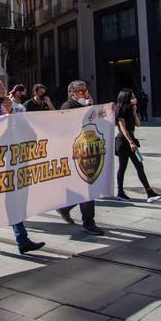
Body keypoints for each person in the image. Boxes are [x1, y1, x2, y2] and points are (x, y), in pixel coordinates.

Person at [0, 79, 45, 255]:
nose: (4, 92)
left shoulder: (6, 106)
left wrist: (10, 112)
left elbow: (20, 126)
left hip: (10, 159)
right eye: (0, 89)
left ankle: (22, 240)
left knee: (13, 200)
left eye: (5, 89)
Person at [56, 80, 105, 235]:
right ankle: (88, 222)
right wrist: (86, 108)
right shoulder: (68, 106)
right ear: (72, 94)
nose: (85, 93)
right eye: (81, 92)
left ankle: (64, 208)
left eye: (86, 91)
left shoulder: (84, 106)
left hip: (87, 150)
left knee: (85, 187)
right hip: (75, 154)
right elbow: (72, 125)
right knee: (87, 187)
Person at [115, 89, 161, 202]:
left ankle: (149, 192)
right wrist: (131, 142)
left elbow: (138, 124)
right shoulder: (120, 110)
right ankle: (120, 193)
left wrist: (135, 112)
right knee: (123, 167)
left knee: (139, 165)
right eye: (132, 97)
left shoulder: (131, 109)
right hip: (123, 141)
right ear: (126, 98)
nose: (135, 98)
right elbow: (122, 128)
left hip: (132, 139)